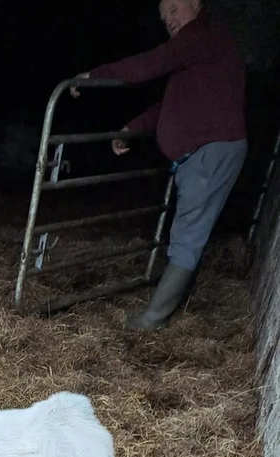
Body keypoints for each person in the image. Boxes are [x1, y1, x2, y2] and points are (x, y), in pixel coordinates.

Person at [74, 0, 247, 330]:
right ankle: (157, 312)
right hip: (204, 153)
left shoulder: (203, 34)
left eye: (174, 9)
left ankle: (152, 319)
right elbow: (174, 103)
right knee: (187, 233)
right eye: (164, 16)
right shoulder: (203, 49)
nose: (169, 20)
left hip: (210, 153)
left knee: (187, 237)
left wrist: (94, 76)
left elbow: (149, 64)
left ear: (196, 4)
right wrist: (133, 127)